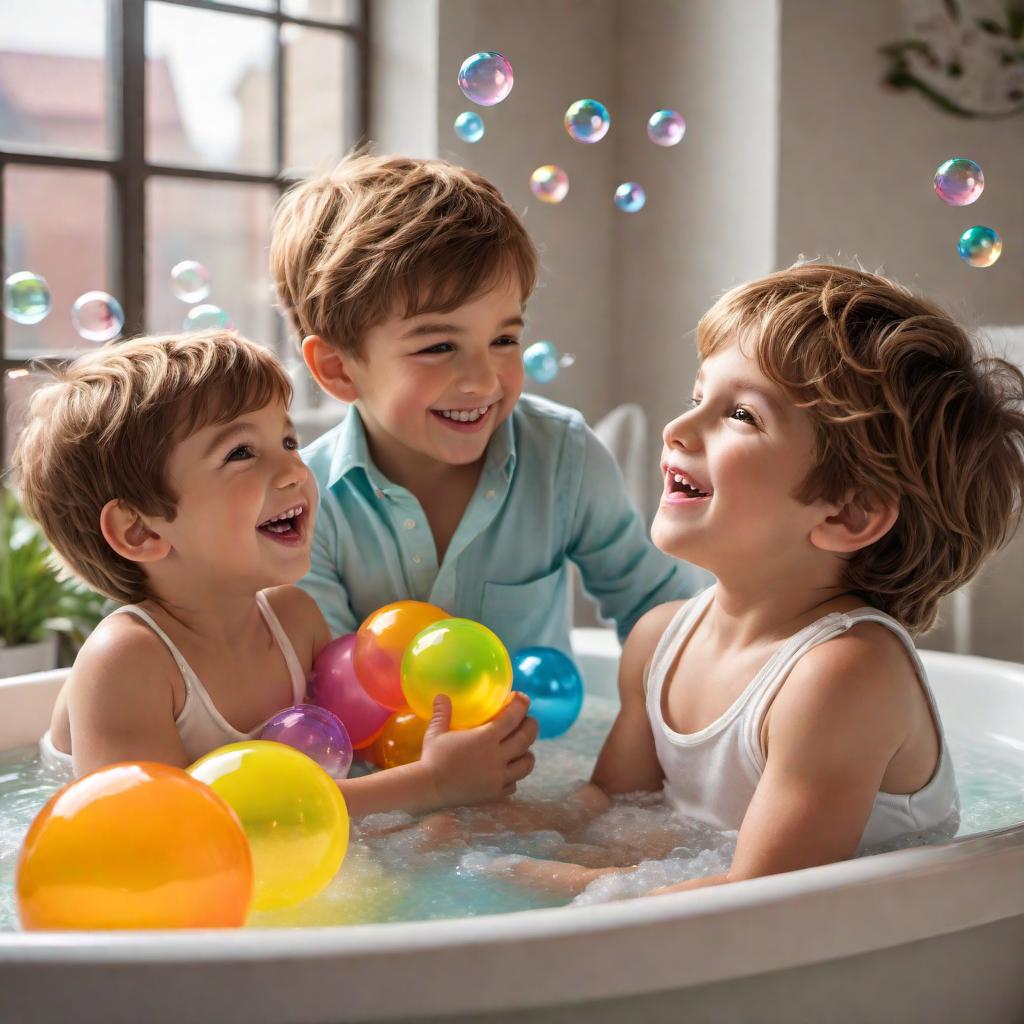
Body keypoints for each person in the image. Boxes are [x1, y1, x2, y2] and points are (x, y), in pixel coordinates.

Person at [429, 263, 1024, 896]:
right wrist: (467, 831)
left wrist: (535, 878)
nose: (677, 430)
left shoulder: (843, 676)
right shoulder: (659, 640)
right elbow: (603, 807)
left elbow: (759, 904)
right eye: (696, 399)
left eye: (740, 415)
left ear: (848, 513)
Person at [13, 331, 536, 815]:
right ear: (140, 532)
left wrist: (447, 746)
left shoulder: (293, 619)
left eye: (287, 442)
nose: (293, 469)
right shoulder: (127, 662)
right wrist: (433, 784)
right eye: (241, 453)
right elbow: (166, 827)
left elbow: (341, 761)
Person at [269, 153, 697, 655]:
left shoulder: (563, 455)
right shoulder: (303, 504)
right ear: (339, 369)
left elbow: (660, 609)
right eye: (437, 347)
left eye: (504, 340)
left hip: (542, 736)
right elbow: (330, 685)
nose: (482, 380)